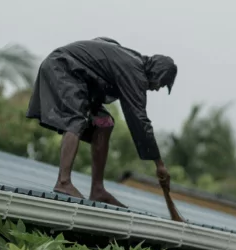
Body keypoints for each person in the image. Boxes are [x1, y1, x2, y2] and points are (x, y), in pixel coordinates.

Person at [26, 37, 177, 210]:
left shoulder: (130, 61)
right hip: (63, 67)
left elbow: (102, 44)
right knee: (77, 118)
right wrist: (159, 164)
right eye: (161, 84)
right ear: (157, 73)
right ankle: (63, 181)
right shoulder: (134, 70)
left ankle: (97, 189)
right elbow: (139, 118)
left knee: (104, 123)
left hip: (81, 80)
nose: (157, 89)